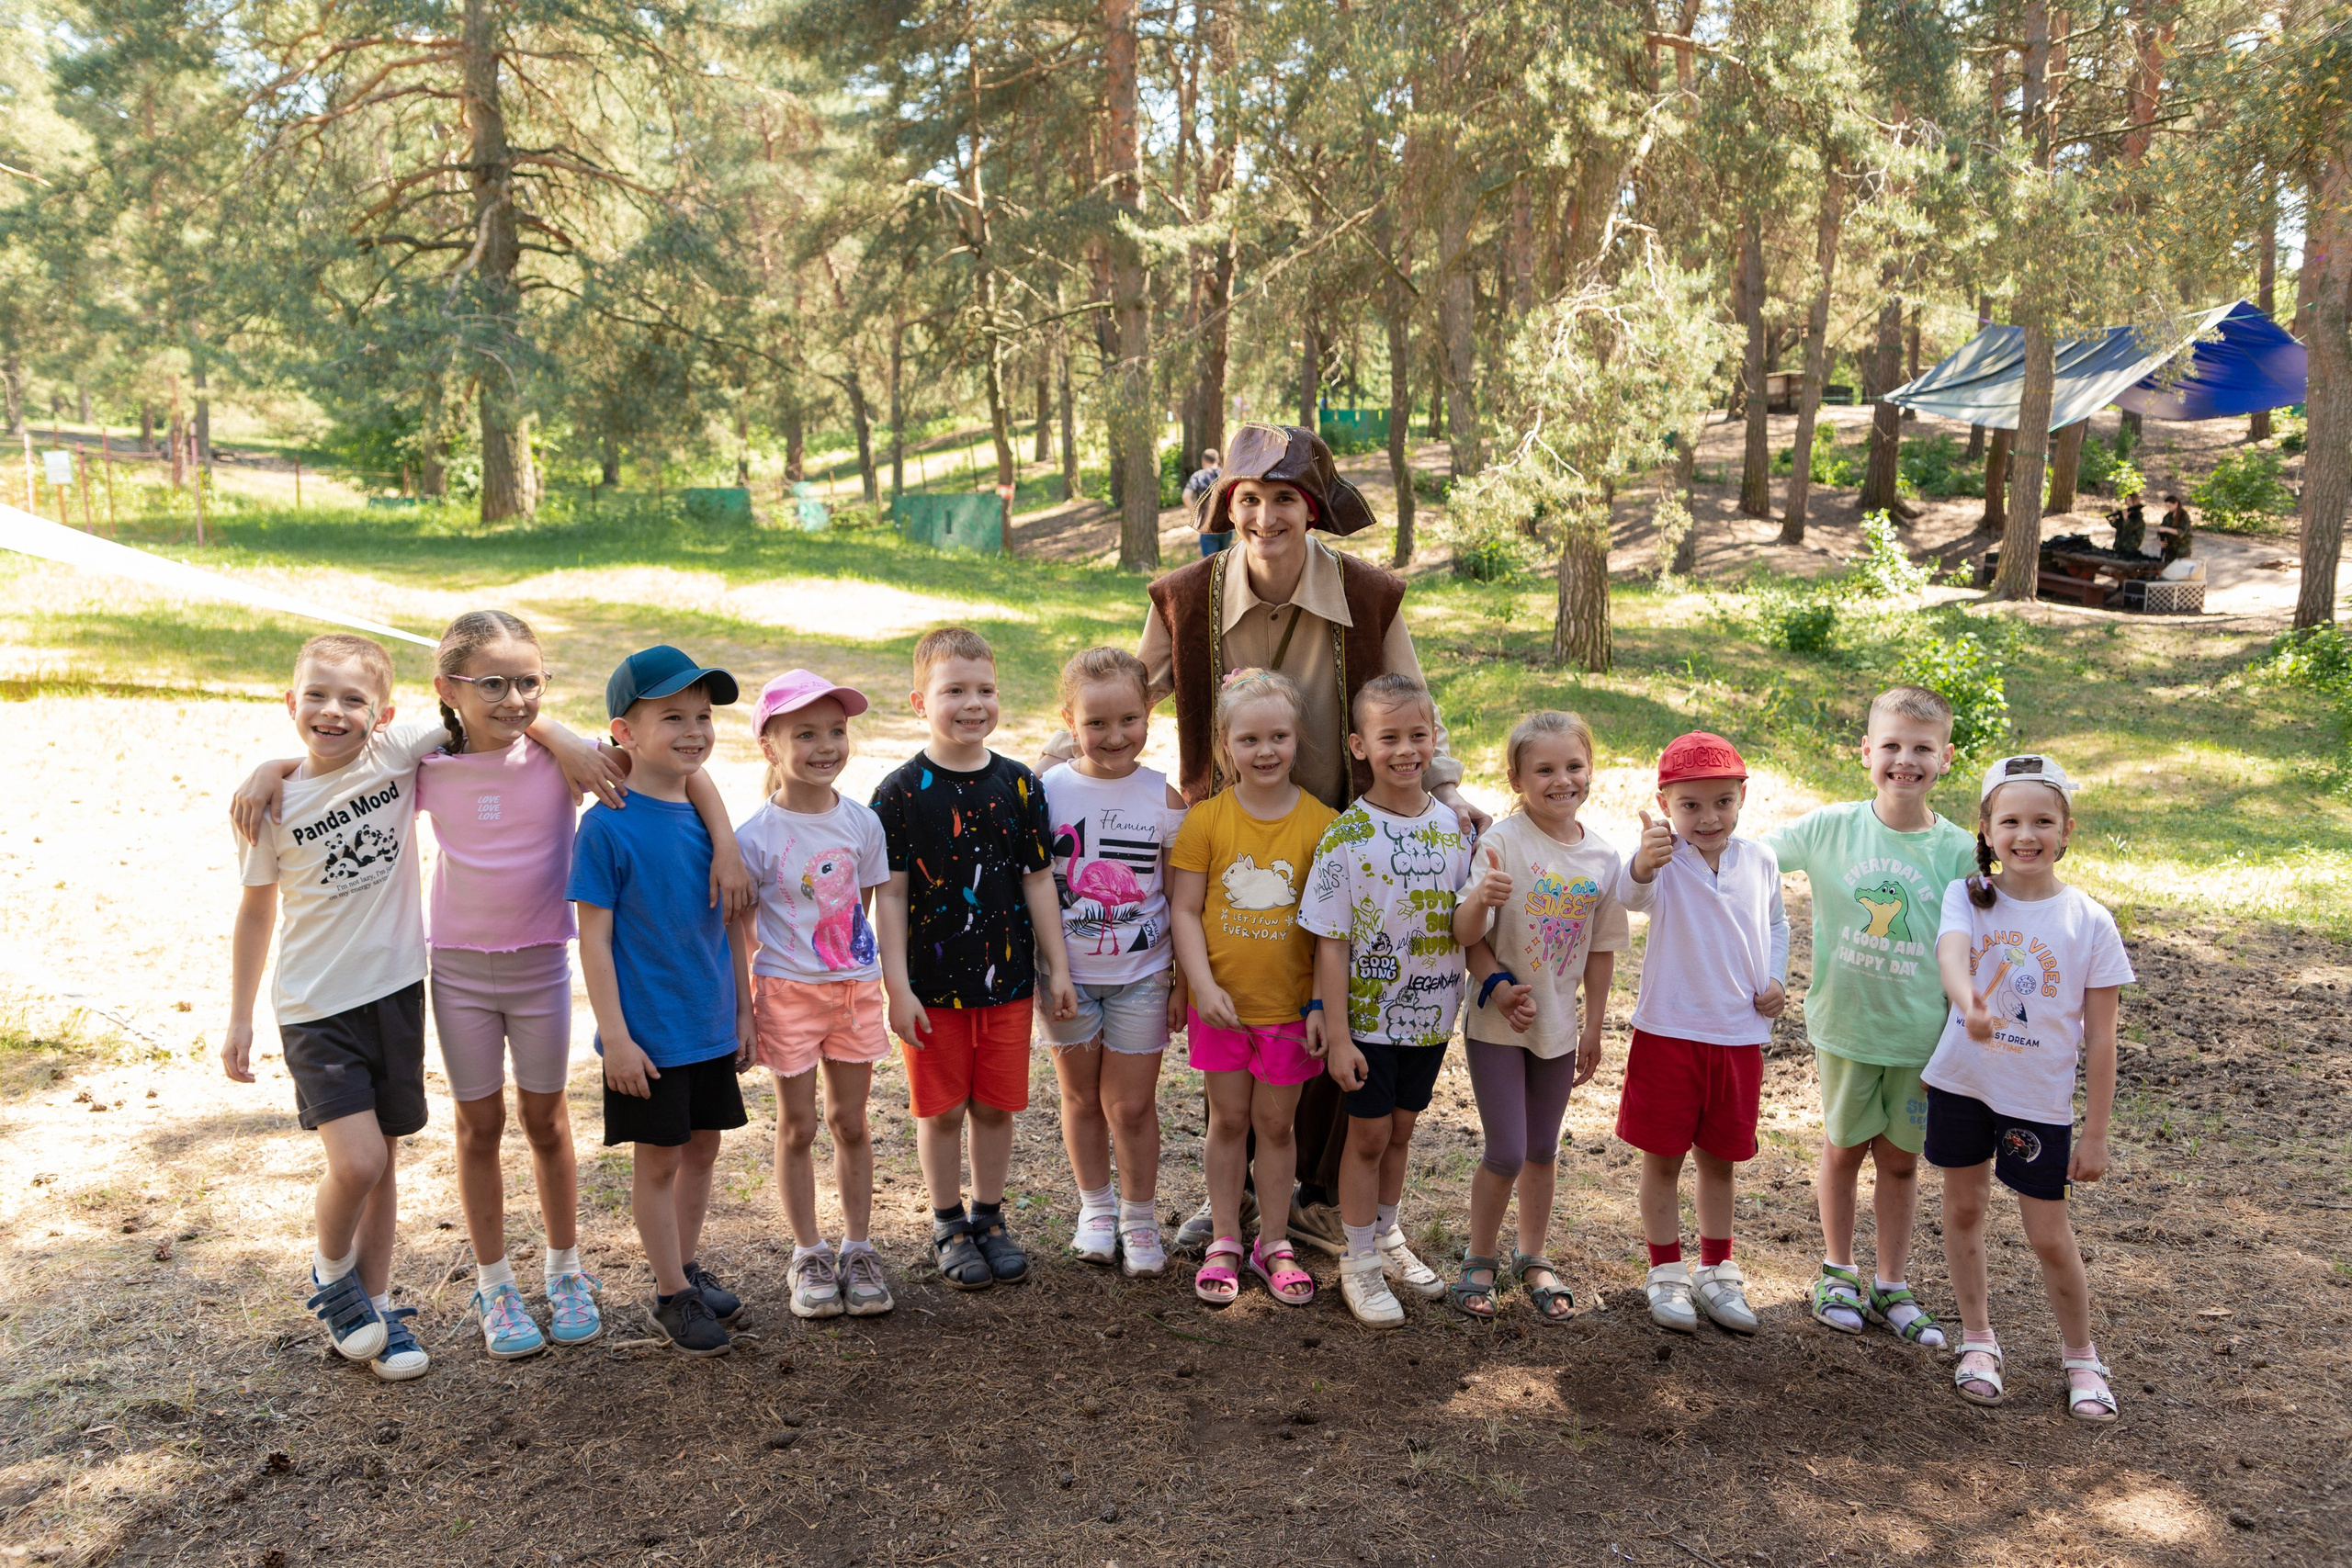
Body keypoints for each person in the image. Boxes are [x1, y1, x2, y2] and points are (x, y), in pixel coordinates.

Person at [228, 619, 748, 1361]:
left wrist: (568, 740)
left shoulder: (567, 762)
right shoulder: (424, 763)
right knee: (478, 1127)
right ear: (447, 690)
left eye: (529, 683)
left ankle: (565, 1269)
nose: (514, 699)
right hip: (460, 975)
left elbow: (678, 768)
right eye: (492, 684)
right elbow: (335, 761)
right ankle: (494, 1281)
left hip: (541, 967)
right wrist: (269, 767)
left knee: (547, 1122)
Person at [1043, 422, 1490, 1258]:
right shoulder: (1187, 596)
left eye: (1285, 497)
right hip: (1233, 835)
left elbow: (1409, 699)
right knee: (1243, 1002)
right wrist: (1053, 764)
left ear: (1312, 509)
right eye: (1251, 498)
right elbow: (1129, 695)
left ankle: (1315, 1198)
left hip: (1337, 836)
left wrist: (1448, 790)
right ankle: (1235, 1202)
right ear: (1230, 506)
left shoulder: (1367, 595)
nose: (1267, 515)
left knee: (1324, 1008)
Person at [221, 635, 458, 1382]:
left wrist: (563, 740)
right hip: (315, 1005)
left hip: (393, 992)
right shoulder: (271, 801)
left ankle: (376, 1307)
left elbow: (484, 708)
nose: (333, 709)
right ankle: (332, 1278)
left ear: (382, 713)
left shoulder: (393, 754)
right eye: (316, 695)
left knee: (384, 1161)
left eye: (354, 699)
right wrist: (239, 1016)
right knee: (356, 1159)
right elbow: (256, 912)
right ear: (290, 704)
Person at [1763, 687, 1973, 1348]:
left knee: (1903, 1163)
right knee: (1845, 1149)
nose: (1904, 760)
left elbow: (2001, 920)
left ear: (1945, 757)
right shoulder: (1830, 829)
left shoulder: (1959, 852)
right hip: (1848, 1029)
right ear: (1866, 752)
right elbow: (1747, 855)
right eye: (1891, 746)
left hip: (1919, 1037)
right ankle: (1837, 1270)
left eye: (1921, 748)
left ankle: (1891, 1280)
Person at [1928, 754, 2132, 1422]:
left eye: (2042, 820)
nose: (2026, 834)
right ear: (1985, 829)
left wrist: (2095, 1131)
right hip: (1963, 1084)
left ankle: (2081, 1356)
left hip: (2038, 1102)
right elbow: (1952, 957)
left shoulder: (2090, 922)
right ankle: (1978, 1341)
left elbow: (2101, 1037)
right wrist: (1970, 1005)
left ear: (2067, 829)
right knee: (1963, 1211)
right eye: (2010, 820)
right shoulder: (1968, 895)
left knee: (2048, 1235)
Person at [875, 626, 1077, 1291]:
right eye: (954, 690)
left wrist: (1058, 969)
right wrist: (896, 986)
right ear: (917, 701)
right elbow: (893, 893)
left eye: (985, 689)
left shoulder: (1019, 785)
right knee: (941, 1110)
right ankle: (947, 1221)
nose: (973, 703)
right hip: (931, 989)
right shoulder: (899, 793)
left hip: (1008, 983)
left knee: (994, 1106)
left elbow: (1038, 879)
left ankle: (989, 1216)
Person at [570, 645, 756, 1357]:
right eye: (672, 716)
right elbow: (593, 941)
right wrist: (614, 1035)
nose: (693, 730)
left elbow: (734, 927)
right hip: (647, 1034)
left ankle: (684, 1264)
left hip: (709, 1020)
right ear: (624, 731)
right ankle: (670, 1294)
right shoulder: (608, 824)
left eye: (703, 716)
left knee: (703, 1148)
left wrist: (743, 1010)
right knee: (658, 1160)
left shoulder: (710, 820)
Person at [1299, 673, 1476, 1327]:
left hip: (1432, 1015)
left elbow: (1469, 920)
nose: (1406, 750)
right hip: (1369, 1018)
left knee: (1401, 1131)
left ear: (1436, 740)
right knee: (1368, 1134)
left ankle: (1388, 1233)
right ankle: (1358, 1260)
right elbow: (1332, 945)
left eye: (1418, 734)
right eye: (1389, 737)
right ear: (1358, 745)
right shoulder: (1346, 838)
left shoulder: (1455, 829)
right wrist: (1339, 1033)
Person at [1447, 711, 1626, 1324]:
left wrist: (1595, 1025)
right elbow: (1465, 935)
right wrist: (1495, 975)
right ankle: (1479, 1256)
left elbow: (1602, 950)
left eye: (1573, 766)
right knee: (1506, 1149)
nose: (1561, 779)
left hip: (1557, 1026)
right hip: (1499, 1024)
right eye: (1544, 769)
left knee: (1543, 1150)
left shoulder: (1603, 855)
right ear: (1517, 776)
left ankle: (1534, 1254)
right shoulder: (1502, 842)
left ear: (1590, 769)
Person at [1169, 669, 1335, 1307]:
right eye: (1249, 739)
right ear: (1224, 746)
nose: (1266, 751)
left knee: (1276, 1124)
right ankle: (1227, 1237)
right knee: (1230, 1119)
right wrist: (1201, 985)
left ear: (1298, 739)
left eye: (1279, 736)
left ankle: (1274, 1240)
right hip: (1224, 1007)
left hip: (1290, 1010)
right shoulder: (1206, 821)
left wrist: (1320, 1003)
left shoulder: (1324, 824)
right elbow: (1185, 910)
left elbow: (1329, 929)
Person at [735, 670, 897, 1319]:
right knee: (799, 1124)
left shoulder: (862, 823)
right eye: (805, 733)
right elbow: (742, 931)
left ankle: (858, 1249)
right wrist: (746, 1009)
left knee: (850, 1121)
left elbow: (857, 910)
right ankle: (808, 1252)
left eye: (836, 730)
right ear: (770, 746)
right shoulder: (754, 837)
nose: (826, 745)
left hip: (853, 991)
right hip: (787, 994)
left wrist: (868, 978)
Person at [1616, 732, 1789, 1337]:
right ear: (1665, 804)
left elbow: (1775, 920)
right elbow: (1630, 895)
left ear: (1742, 796)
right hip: (1669, 1031)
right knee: (1662, 1158)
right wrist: (1644, 859)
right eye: (1691, 804)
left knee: (1721, 1160)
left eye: (1721, 800)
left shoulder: (1760, 860)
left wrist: (1775, 978)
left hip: (1739, 1036)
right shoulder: (1662, 860)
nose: (1708, 816)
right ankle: (1666, 1269)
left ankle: (1717, 1266)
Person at [1040, 648, 1188, 1277]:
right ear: (1068, 720)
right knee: (1079, 1098)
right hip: (1065, 979)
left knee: (1130, 1106)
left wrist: (1180, 976)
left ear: (1148, 715)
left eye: (1129, 718)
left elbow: (1182, 896)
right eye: (1095, 723)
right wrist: (1051, 970)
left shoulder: (1164, 795)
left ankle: (1138, 1213)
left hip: (1142, 976)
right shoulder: (1044, 791)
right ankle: (1095, 1208)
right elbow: (1037, 885)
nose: (1114, 736)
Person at [1183, 446, 1226, 557]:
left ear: (1203, 461)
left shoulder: (1198, 476)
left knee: (1209, 566)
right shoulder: (1226, 474)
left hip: (1208, 524)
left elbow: (1186, 496)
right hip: (1227, 524)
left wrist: (1197, 515)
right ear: (1218, 461)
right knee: (1224, 563)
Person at [2103, 490, 2147, 555]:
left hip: (2130, 546)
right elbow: (2118, 525)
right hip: (2120, 545)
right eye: (2127, 500)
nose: (2128, 502)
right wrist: (2114, 519)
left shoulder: (2138, 516)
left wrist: (2126, 517)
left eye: (2130, 500)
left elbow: (2131, 527)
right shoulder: (2126, 512)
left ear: (2135, 501)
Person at [2158, 492, 2195, 562]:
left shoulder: (2184, 516)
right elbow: (2161, 531)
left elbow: (2180, 532)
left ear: (2176, 504)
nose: (2168, 508)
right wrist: (2160, 541)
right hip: (2170, 550)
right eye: (2166, 506)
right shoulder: (2168, 516)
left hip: (2182, 549)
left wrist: (2166, 529)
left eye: (2169, 506)